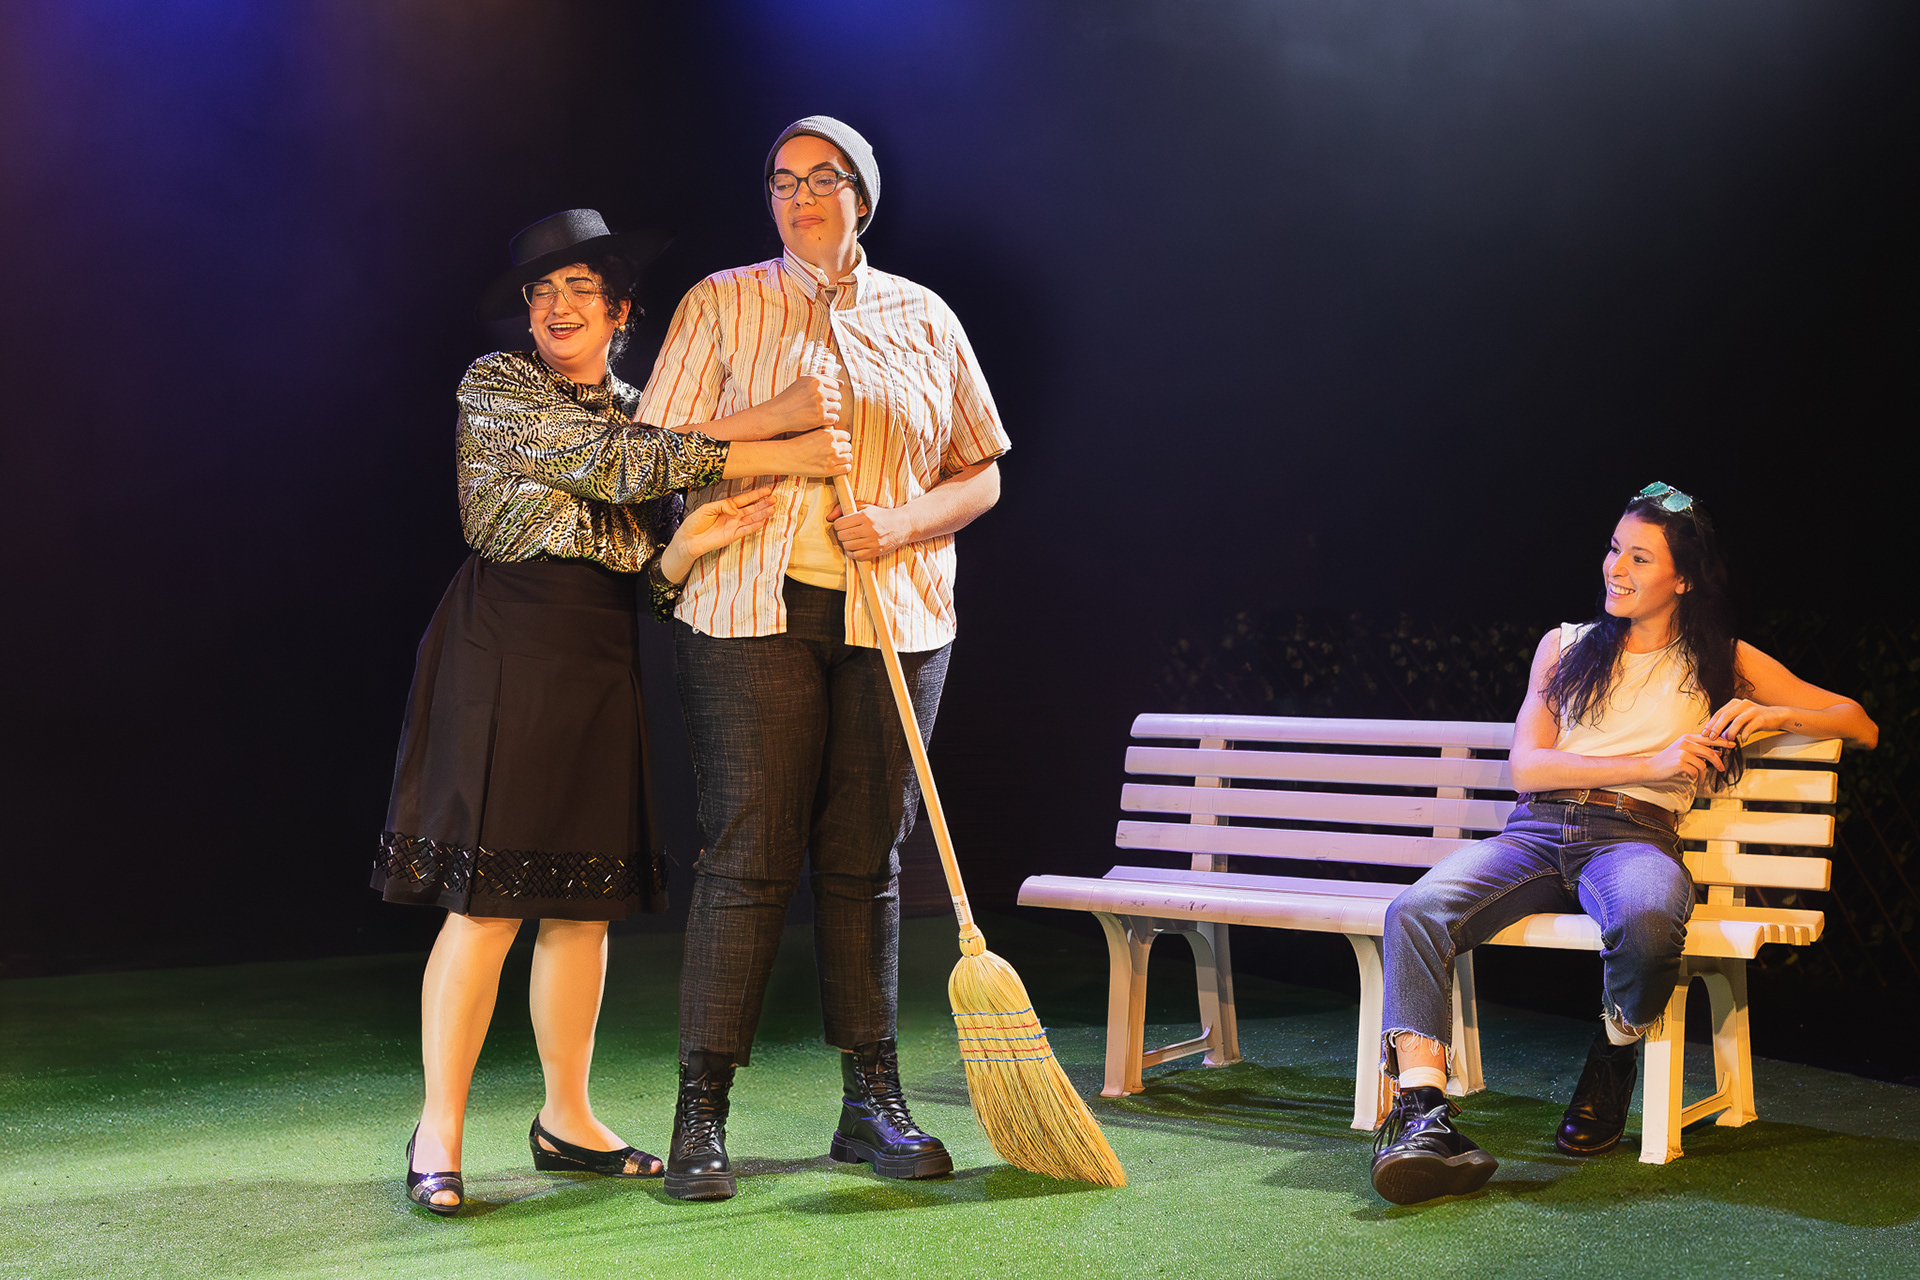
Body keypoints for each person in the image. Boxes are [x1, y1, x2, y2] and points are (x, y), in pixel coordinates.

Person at [372, 209, 853, 1215]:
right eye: (541, 292)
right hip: (504, 644)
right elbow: (616, 464)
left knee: (581, 903)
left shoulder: (646, 410)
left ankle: (569, 1119)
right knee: (488, 901)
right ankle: (439, 1129)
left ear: (620, 313)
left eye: (579, 290)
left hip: (598, 654)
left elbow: (650, 567)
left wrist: (689, 547)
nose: (557, 307)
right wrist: (781, 429)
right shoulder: (496, 384)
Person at [633, 117, 1011, 1201]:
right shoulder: (722, 301)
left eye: (824, 179)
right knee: (748, 854)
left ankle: (870, 1102)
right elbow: (656, 451)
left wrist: (904, 521)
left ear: (863, 196)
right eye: (783, 181)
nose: (801, 197)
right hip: (749, 605)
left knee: (864, 857)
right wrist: (787, 427)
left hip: (894, 610)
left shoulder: (923, 315)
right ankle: (701, 1110)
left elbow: (981, 468)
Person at [1368, 482, 1878, 1206]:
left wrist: (1770, 716)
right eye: (1615, 549)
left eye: (1641, 557)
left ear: (1684, 578)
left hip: (1632, 838)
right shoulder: (1565, 646)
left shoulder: (1719, 658)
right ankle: (1423, 1116)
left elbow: (1858, 723)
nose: (1617, 568)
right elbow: (1528, 768)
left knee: (1647, 920)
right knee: (1416, 911)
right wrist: (1654, 761)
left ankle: (1614, 1052)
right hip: (1536, 832)